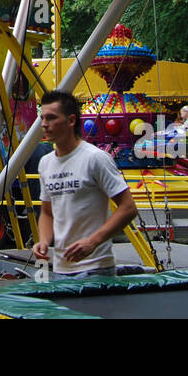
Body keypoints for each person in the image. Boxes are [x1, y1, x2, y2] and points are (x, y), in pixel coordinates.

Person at [33, 90, 138, 276]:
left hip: (95, 268)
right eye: (42, 118)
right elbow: (47, 212)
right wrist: (43, 241)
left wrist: (93, 241)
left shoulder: (95, 158)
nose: (44, 124)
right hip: (60, 269)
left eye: (51, 118)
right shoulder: (45, 163)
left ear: (71, 121)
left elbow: (128, 207)